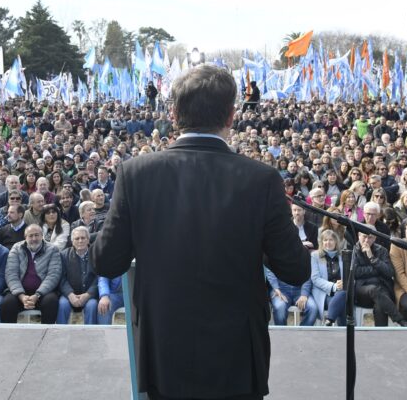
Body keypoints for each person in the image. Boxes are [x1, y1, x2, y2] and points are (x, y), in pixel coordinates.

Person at [91, 65, 310, 400]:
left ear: (174, 114)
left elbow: (106, 261)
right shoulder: (261, 179)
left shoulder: (136, 174)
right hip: (236, 356)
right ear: (232, 115)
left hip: (165, 350)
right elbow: (295, 268)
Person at [0, 224, 62, 324]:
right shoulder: (16, 248)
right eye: (30, 236)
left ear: (42, 236)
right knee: (7, 303)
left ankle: (46, 335)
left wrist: (37, 295)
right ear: (25, 237)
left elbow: (53, 275)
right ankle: (9, 336)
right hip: (19, 293)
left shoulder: (52, 249)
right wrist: (21, 296)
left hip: (43, 293)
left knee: (51, 302)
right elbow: (11, 274)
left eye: (37, 235)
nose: (34, 238)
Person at [353, 231, 407, 326]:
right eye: (364, 236)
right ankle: (400, 320)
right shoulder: (354, 250)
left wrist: (372, 258)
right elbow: (356, 272)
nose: (366, 240)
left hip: (381, 288)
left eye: (370, 238)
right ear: (359, 236)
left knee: (380, 306)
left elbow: (389, 272)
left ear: (374, 238)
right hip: (362, 290)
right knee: (374, 290)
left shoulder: (382, 250)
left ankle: (381, 336)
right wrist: (377, 269)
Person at [57, 226, 99, 325]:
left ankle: (91, 336)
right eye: (77, 238)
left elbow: (99, 278)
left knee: (92, 306)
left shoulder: (97, 254)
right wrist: (70, 294)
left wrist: (88, 294)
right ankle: (60, 335)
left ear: (88, 240)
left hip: (90, 296)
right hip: (69, 295)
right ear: (72, 241)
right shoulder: (64, 255)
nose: (80, 241)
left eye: (83, 238)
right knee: (62, 305)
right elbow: (61, 278)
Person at [310, 229, 346, 326]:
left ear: (336, 242)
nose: (328, 243)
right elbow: (315, 279)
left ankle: (330, 320)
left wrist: (344, 283)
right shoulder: (315, 256)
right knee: (343, 302)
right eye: (325, 240)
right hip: (324, 293)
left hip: (341, 291)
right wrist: (334, 286)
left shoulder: (343, 256)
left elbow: (349, 275)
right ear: (322, 242)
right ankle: (345, 334)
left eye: (331, 240)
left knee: (342, 295)